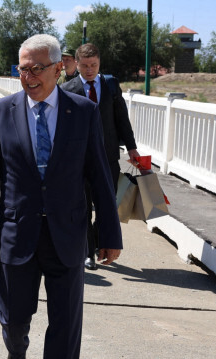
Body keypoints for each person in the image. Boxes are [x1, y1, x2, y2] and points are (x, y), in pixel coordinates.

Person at [0, 34, 122, 359]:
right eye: (22, 69)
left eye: (36, 69)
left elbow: (100, 177)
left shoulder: (84, 112)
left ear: (58, 69)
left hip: (67, 238)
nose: (28, 77)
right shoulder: (2, 112)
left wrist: (110, 233)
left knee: (66, 328)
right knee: (13, 323)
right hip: (16, 235)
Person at [61, 43, 139, 270]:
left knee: (107, 204)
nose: (89, 70)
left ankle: (95, 241)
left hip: (107, 157)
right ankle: (88, 252)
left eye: (93, 65)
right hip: (79, 161)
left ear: (99, 63)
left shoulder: (111, 85)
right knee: (83, 206)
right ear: (76, 64)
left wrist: (132, 147)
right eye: (84, 65)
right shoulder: (68, 88)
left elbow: (121, 119)